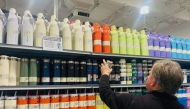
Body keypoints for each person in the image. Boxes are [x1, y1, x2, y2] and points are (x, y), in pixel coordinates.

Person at [99, 59, 188, 109]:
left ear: (153, 82)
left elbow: (106, 94)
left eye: (149, 74)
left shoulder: (134, 102)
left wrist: (105, 74)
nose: (147, 77)